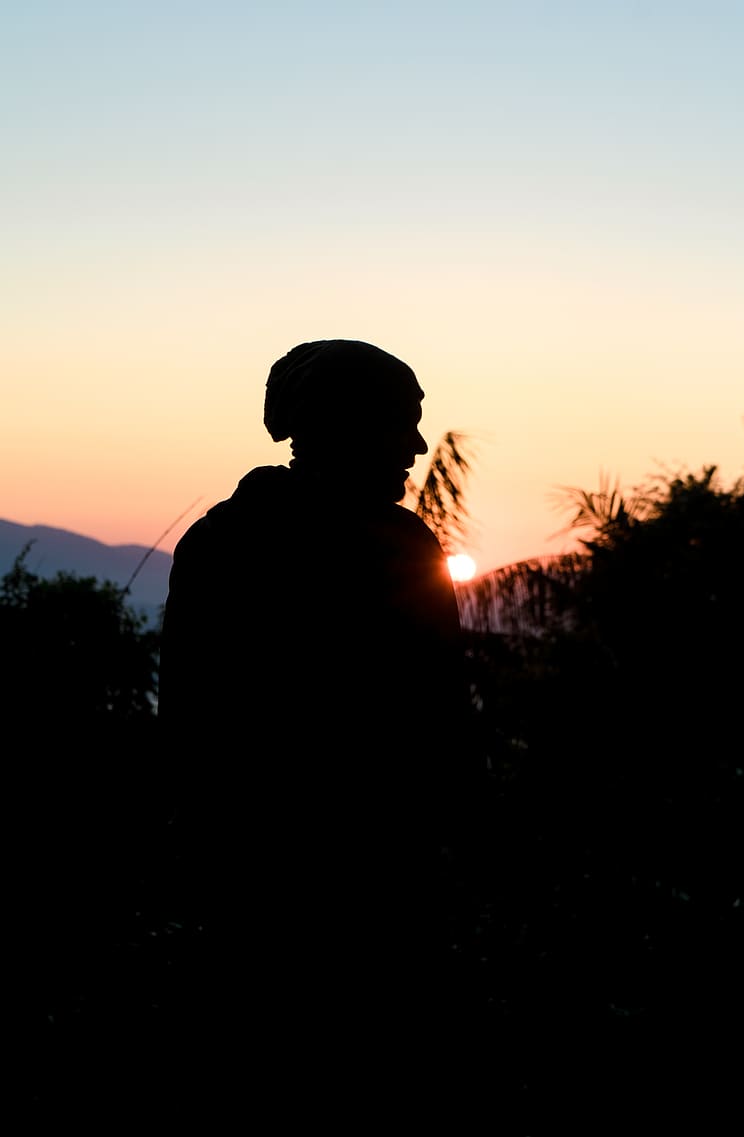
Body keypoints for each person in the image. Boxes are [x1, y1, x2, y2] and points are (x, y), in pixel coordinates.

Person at [155, 339, 480, 1114]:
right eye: (399, 423)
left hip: (310, 895)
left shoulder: (227, 542)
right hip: (314, 899)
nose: (415, 446)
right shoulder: (377, 549)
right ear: (342, 425)